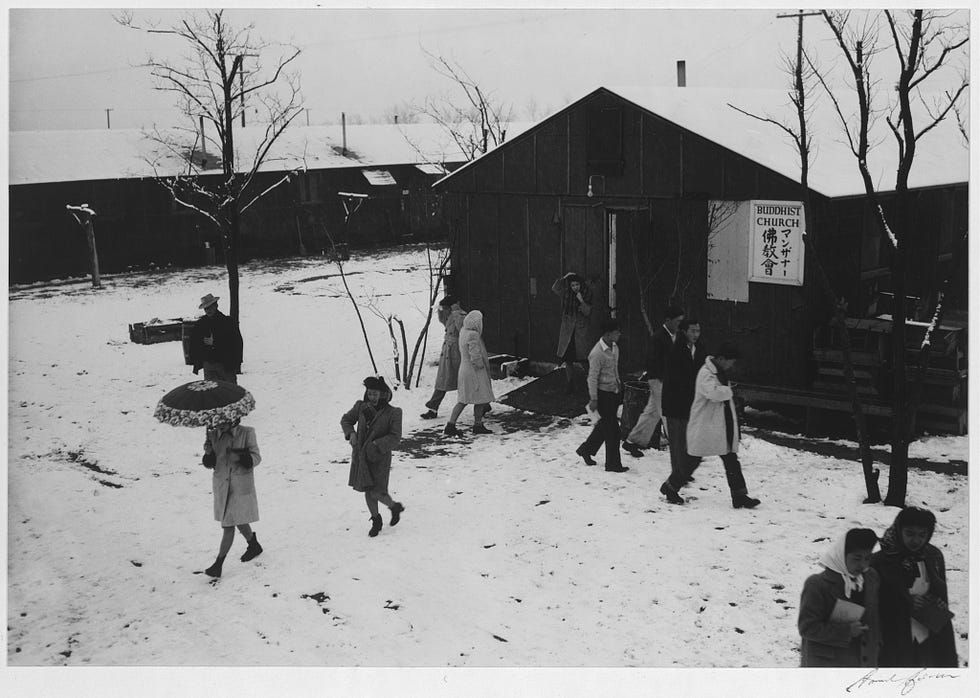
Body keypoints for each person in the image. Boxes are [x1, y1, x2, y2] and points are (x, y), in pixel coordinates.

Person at [870, 507, 958, 667]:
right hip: (894, 638)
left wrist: (939, 604)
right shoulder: (880, 561)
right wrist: (906, 602)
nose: (916, 540)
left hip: (928, 635)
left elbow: (939, 590)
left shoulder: (933, 556)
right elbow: (872, 604)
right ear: (899, 530)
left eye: (922, 535)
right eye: (909, 533)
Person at [686, 342, 761, 508]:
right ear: (721, 359)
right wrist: (729, 392)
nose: (731, 365)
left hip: (718, 425)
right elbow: (713, 393)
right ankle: (671, 487)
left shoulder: (718, 371)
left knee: (731, 459)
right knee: (693, 460)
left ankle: (740, 496)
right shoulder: (706, 373)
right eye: (730, 361)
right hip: (706, 424)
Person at [798, 529, 881, 667]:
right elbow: (807, 628)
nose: (863, 565)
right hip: (826, 665)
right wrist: (846, 631)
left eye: (867, 558)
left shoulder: (870, 578)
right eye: (857, 558)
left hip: (861, 661)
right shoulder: (817, 584)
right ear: (842, 555)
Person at [341, 376, 405, 538]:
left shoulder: (394, 413)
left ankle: (394, 506)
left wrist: (377, 444)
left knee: (377, 491)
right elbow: (346, 420)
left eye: (375, 394)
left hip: (379, 458)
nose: (372, 397)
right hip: (361, 457)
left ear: (383, 394)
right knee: (367, 490)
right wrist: (351, 433)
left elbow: (395, 437)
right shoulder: (361, 407)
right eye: (369, 394)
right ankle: (376, 520)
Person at [201, 418, 263, 578]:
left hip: (240, 485)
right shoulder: (213, 435)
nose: (220, 424)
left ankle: (218, 564)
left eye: (223, 422)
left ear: (233, 419)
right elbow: (210, 464)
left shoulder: (247, 433)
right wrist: (208, 454)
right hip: (222, 486)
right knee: (237, 518)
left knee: (228, 525)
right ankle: (253, 545)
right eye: (218, 422)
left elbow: (256, 457)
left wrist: (241, 457)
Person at [623, 305, 684, 457]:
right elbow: (652, 362)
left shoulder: (676, 336)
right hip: (658, 380)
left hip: (669, 381)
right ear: (668, 320)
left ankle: (631, 442)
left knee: (652, 413)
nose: (679, 324)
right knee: (668, 413)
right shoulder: (658, 338)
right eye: (677, 321)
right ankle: (682, 449)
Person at [658, 316, 706, 504]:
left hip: (692, 404)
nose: (695, 335)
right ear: (684, 331)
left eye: (698, 331)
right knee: (678, 444)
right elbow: (675, 380)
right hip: (676, 404)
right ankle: (676, 477)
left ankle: (679, 475)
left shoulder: (700, 349)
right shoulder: (675, 351)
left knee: (690, 442)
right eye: (692, 331)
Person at [575, 318, 629, 473]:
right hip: (602, 395)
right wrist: (593, 398)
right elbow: (592, 377)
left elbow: (614, 369)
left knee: (604, 426)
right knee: (613, 431)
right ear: (608, 333)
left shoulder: (615, 348)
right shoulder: (597, 353)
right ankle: (612, 464)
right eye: (616, 332)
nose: (619, 334)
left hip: (613, 393)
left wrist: (619, 385)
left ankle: (586, 449)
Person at [444, 310, 496, 436]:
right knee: (477, 398)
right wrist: (481, 365)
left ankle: (453, 424)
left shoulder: (463, 331)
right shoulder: (473, 335)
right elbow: (475, 355)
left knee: (468, 399)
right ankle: (472, 425)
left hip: (464, 370)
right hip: (475, 372)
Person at [421, 296, 467, 419]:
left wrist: (456, 312)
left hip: (457, 354)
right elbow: (443, 321)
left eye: (445, 308)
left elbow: (462, 330)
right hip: (448, 352)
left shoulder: (460, 315)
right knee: (442, 381)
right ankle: (433, 408)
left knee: (466, 381)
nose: (444, 310)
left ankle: (482, 404)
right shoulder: (449, 315)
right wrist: (439, 310)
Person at [551, 272, 593, 393]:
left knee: (584, 359)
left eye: (577, 284)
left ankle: (592, 384)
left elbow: (587, 312)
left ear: (581, 284)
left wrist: (581, 301)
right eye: (573, 285)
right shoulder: (566, 293)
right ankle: (569, 384)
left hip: (580, 331)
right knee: (568, 359)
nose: (575, 287)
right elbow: (555, 288)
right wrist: (564, 277)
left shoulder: (586, 293)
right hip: (568, 331)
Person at [189, 293, 244, 384]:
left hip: (226, 364)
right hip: (208, 365)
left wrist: (215, 343)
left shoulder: (228, 322)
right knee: (212, 393)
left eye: (210, 307)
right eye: (206, 308)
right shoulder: (201, 324)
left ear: (216, 306)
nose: (208, 310)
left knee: (229, 391)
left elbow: (236, 343)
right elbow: (195, 343)